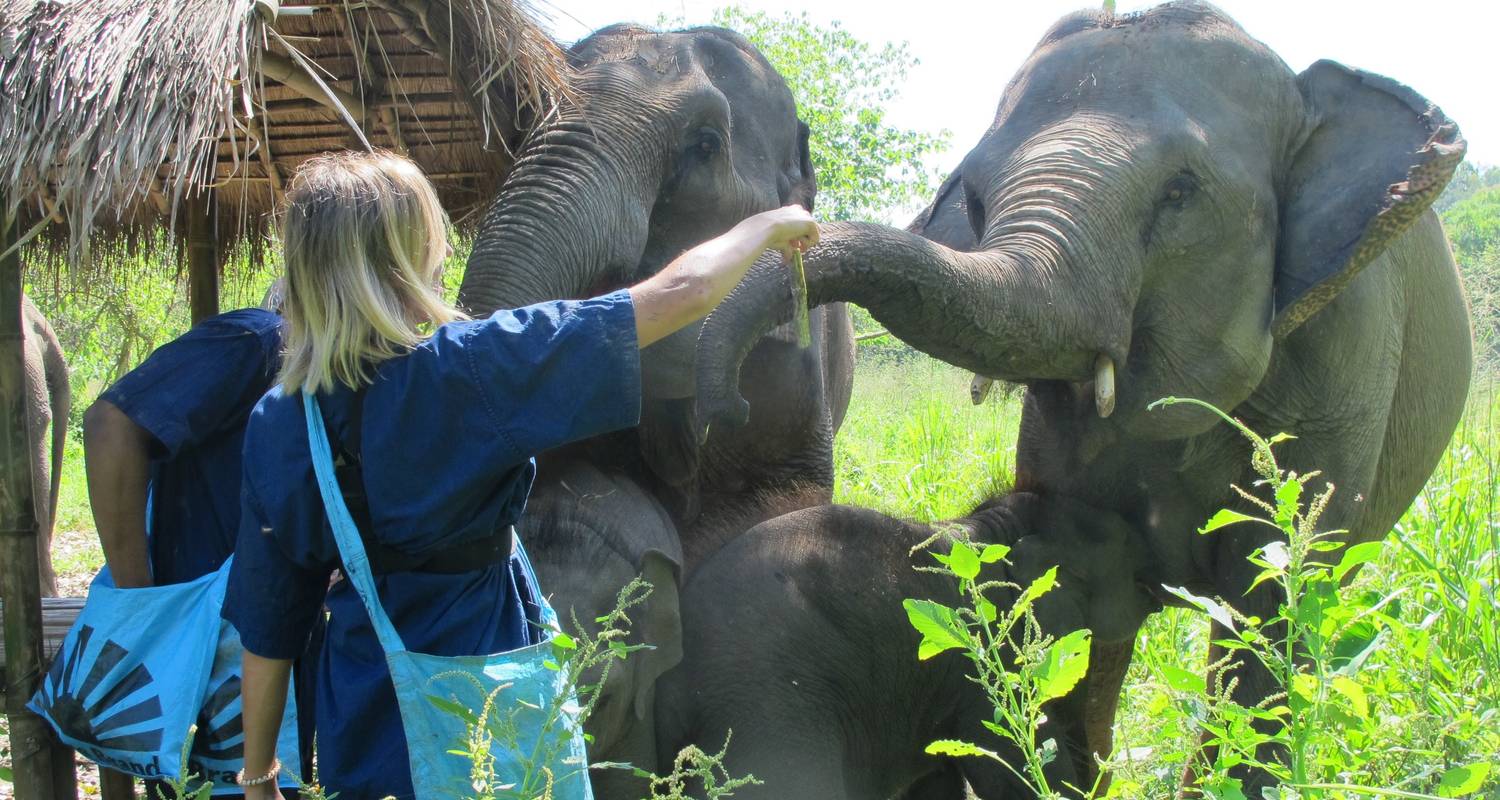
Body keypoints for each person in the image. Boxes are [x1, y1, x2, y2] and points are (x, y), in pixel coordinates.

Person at [224, 150, 818, 799]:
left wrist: (259, 777)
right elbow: (682, 293)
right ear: (407, 254)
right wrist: (766, 226)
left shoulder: (280, 422)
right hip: (492, 712)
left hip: (365, 720)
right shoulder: (473, 370)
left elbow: (270, 620)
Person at [82, 280, 318, 794]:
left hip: (262, 657)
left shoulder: (315, 379)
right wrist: (140, 607)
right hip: (207, 657)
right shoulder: (259, 339)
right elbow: (109, 424)